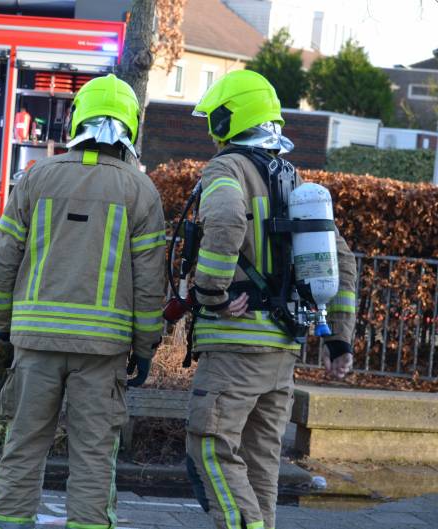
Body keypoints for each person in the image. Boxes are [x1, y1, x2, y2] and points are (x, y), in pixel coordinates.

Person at [0, 74, 167, 529]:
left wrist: (2, 327)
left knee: (23, 447)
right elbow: (150, 287)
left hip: (34, 345)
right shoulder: (141, 192)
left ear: (76, 119)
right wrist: (145, 348)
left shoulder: (35, 179)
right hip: (102, 354)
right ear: (131, 124)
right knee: (92, 458)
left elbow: (3, 261)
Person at [185, 69, 357, 529]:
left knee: (212, 443)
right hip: (283, 348)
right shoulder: (298, 183)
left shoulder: (228, 168)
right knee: (262, 460)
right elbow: (343, 260)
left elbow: (223, 220)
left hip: (236, 343)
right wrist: (339, 341)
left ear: (229, 118)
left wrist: (211, 294)